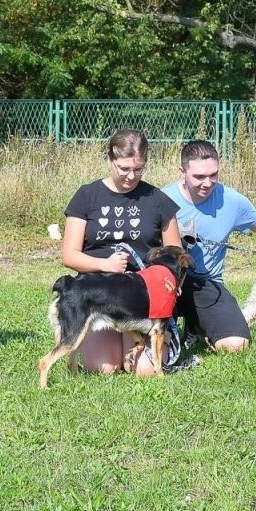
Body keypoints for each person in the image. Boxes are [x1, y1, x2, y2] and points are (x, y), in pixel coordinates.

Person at [60, 129, 184, 376]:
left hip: (142, 300)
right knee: (102, 368)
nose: (131, 176)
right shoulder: (87, 196)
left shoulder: (157, 199)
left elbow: (176, 256)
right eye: (124, 168)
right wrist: (105, 264)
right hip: (100, 295)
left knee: (143, 370)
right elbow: (69, 256)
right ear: (110, 161)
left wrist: (170, 292)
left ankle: (152, 342)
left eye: (138, 169)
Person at [162, 139, 256, 353]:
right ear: (182, 171)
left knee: (237, 345)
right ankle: (184, 327)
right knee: (155, 352)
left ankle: (196, 325)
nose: (207, 183)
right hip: (167, 283)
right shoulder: (162, 199)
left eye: (213, 175)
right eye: (199, 176)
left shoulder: (232, 200)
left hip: (208, 284)